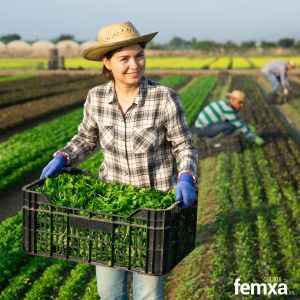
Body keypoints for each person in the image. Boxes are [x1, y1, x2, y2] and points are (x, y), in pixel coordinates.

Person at [40, 21, 198, 300]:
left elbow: (184, 145)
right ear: (107, 62)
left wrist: (186, 175)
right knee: (109, 293)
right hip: (109, 210)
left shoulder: (164, 98)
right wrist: (64, 156)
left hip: (154, 211)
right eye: (124, 59)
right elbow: (87, 139)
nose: (134, 64)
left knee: (148, 293)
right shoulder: (96, 98)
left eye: (139, 55)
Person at [194, 90, 265, 146]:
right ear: (233, 100)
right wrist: (254, 138)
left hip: (204, 127)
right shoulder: (227, 109)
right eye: (240, 102)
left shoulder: (225, 104)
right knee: (231, 126)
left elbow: (239, 120)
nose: (242, 105)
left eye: (242, 103)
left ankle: (213, 139)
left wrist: (249, 131)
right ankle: (213, 142)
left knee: (231, 124)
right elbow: (239, 125)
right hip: (202, 129)